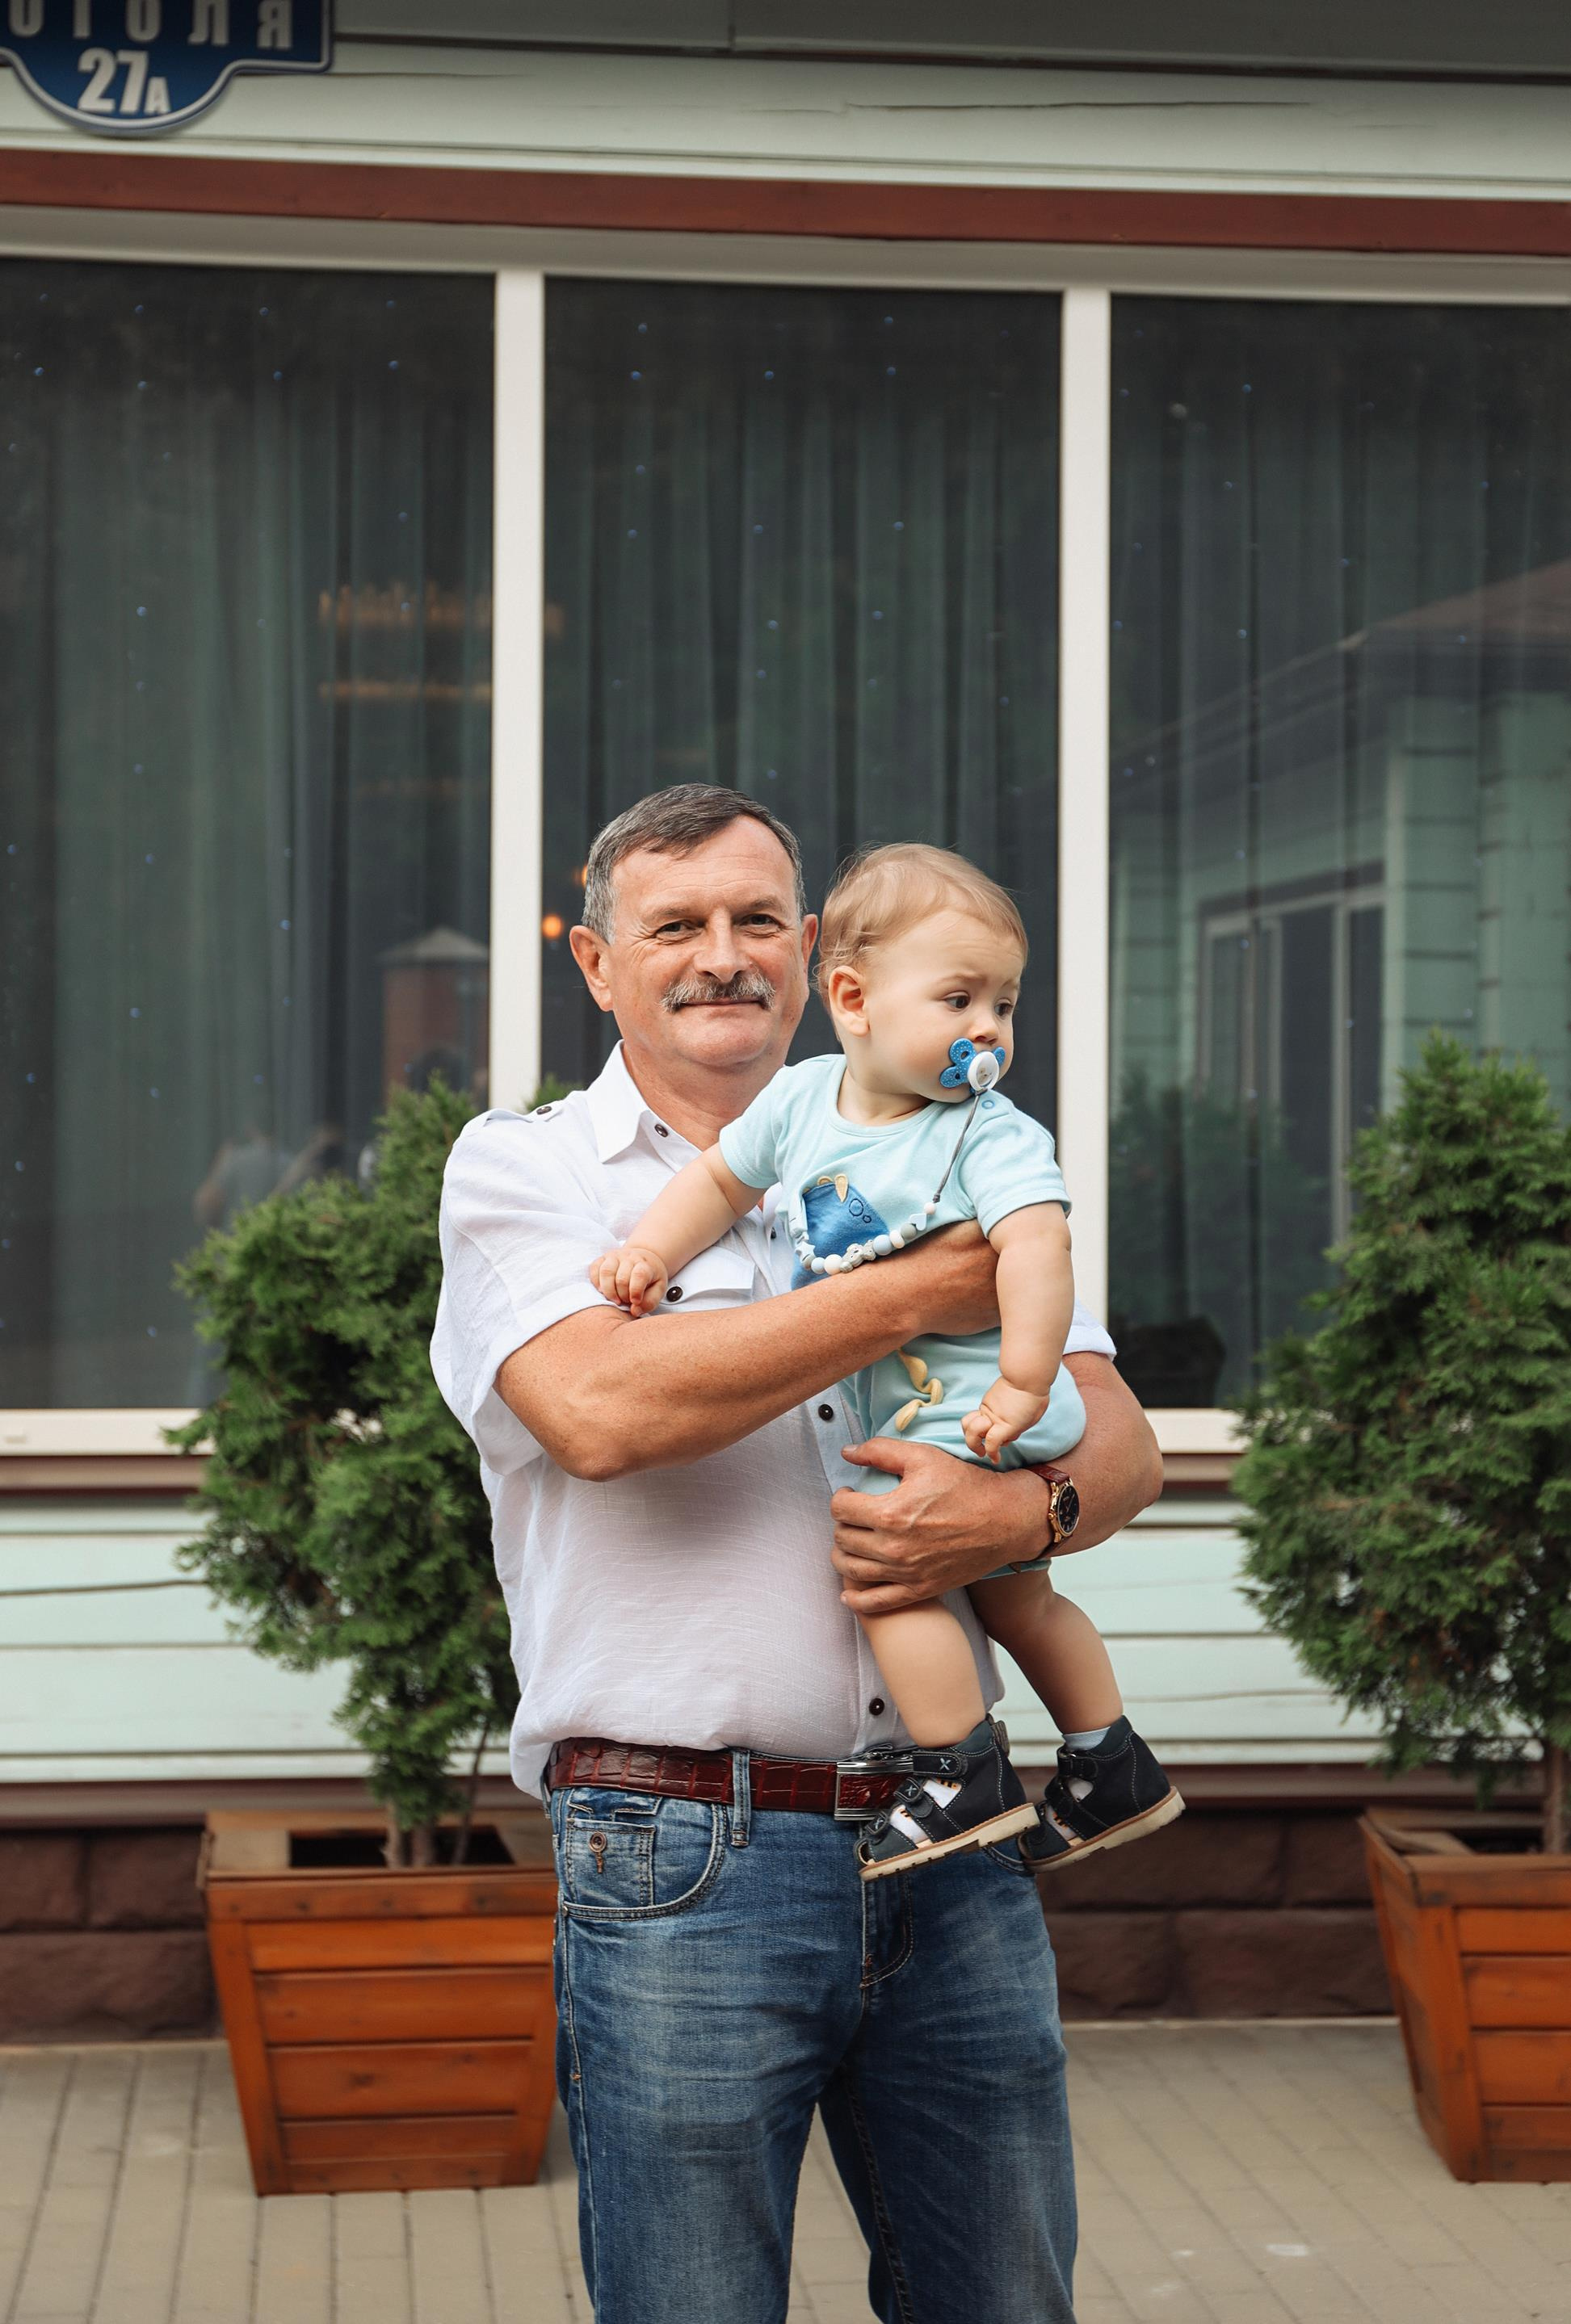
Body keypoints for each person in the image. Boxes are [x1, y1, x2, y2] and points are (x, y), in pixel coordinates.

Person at [431, 785, 1164, 2324]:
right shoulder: (531, 1173)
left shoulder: (961, 1139)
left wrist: (1020, 1517)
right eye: (674, 925)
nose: (721, 956)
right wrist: (910, 1293)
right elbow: (600, 1410)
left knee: (1009, 2302)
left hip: (957, 1846)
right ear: (595, 960)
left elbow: (1120, 1443)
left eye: (757, 918)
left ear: (818, 953)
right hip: (687, 1853)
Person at [590, 841, 1180, 1878]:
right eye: (959, 999)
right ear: (854, 999)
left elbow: (1040, 1248)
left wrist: (1025, 1381)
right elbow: (722, 1184)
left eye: (1003, 1003)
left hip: (970, 1406)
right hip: (933, 1405)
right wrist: (650, 1248)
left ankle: (959, 1772)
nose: (988, 1030)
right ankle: (1108, 1761)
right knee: (1015, 1598)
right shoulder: (803, 1103)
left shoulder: (986, 1135)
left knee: (888, 1578)